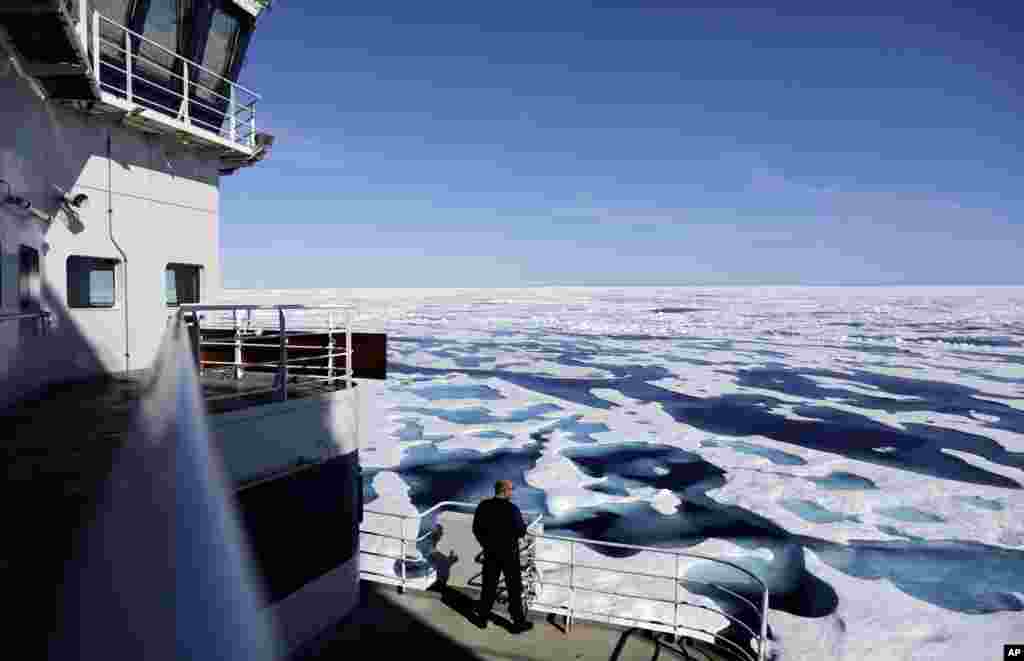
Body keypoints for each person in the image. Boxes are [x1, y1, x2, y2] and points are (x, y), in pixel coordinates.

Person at [472, 480, 533, 633]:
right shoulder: (512, 509)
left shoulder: (484, 506)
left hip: (490, 552)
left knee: (489, 586)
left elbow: (476, 529)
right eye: (511, 489)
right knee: (513, 588)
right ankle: (517, 623)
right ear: (505, 491)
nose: (512, 492)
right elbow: (520, 531)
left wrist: (485, 544)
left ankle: (482, 619)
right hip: (509, 554)